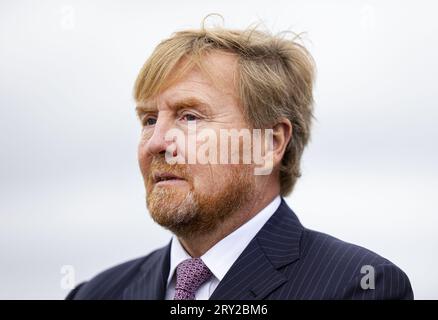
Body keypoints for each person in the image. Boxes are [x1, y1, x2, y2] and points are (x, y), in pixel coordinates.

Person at [66, 22, 413, 300]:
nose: (156, 143)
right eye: (149, 120)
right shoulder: (95, 294)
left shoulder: (359, 287)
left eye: (189, 117)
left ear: (269, 143)